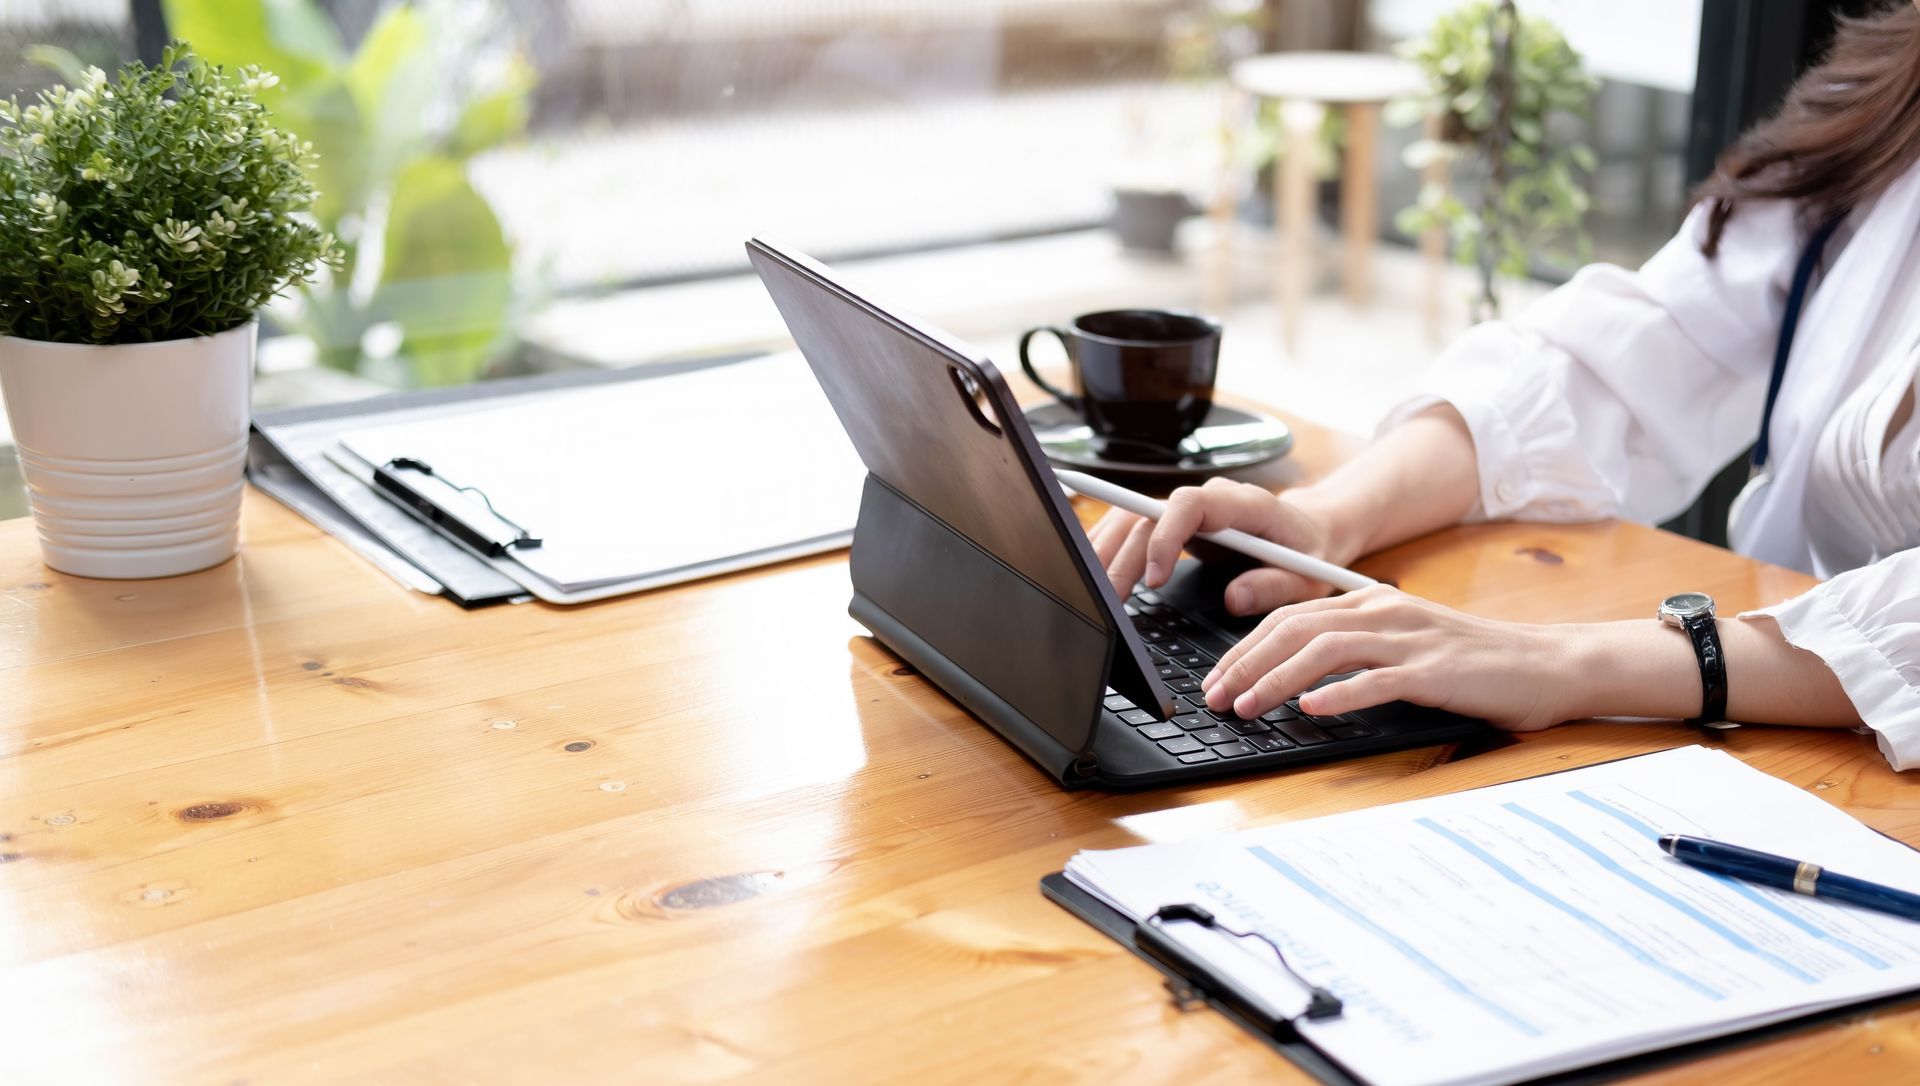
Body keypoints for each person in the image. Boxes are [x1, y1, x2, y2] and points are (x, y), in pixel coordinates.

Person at [1089, 1, 1920, 770]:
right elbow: (1624, 359)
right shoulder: (1892, 109)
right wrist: (1326, 521)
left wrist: (1557, 660)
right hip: (1776, 742)